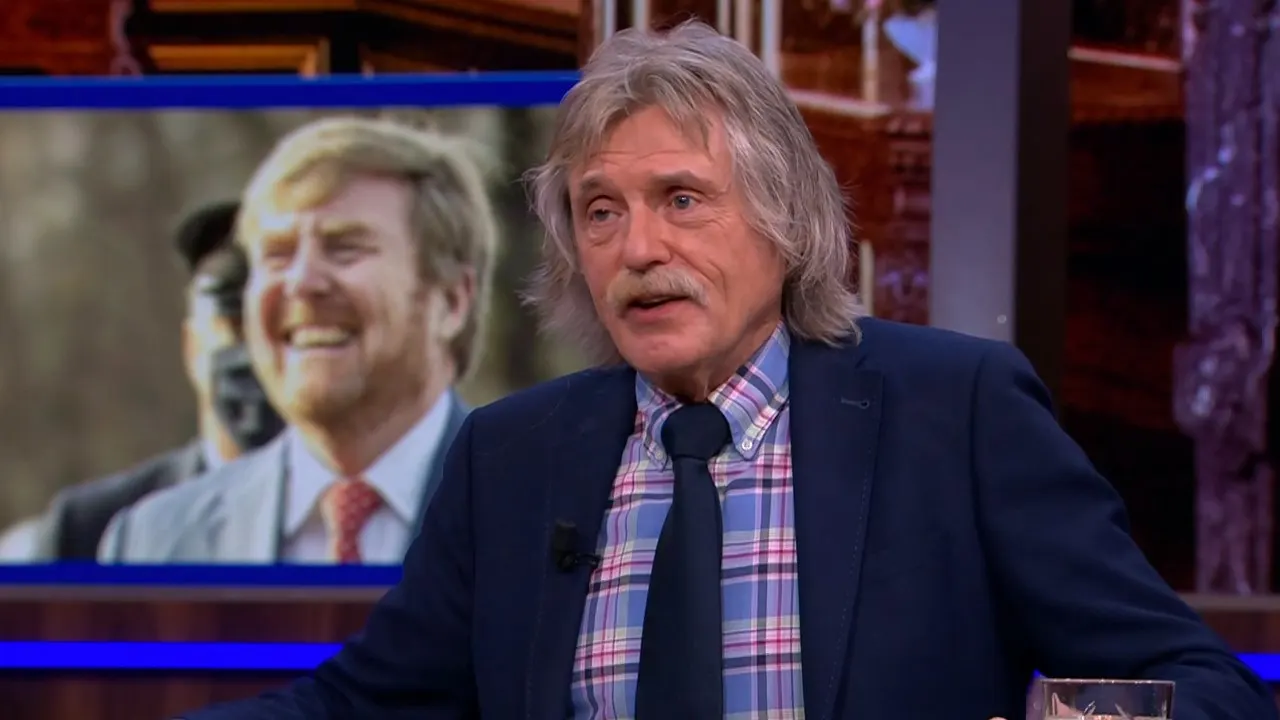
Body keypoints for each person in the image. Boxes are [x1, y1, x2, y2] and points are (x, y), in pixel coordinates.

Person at [173, 21, 1276, 720]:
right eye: (599, 212)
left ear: (785, 219)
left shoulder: (956, 412)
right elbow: (365, 704)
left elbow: (1203, 687)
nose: (637, 247)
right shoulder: (512, 454)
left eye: (681, 199)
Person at [99, 117, 493, 564]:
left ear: (451, 300)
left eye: (345, 248)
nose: (302, 282)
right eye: (277, 255)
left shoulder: (547, 518)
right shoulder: (153, 543)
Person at [28, 201, 284, 561]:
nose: (257, 354)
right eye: (236, 330)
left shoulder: (346, 520)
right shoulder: (92, 530)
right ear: (192, 347)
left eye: (280, 330)